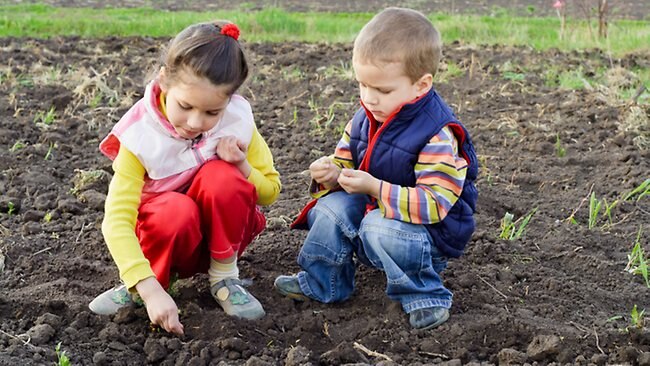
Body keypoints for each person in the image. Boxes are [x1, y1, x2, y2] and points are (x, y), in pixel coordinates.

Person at [274, 7, 478, 330]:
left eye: (383, 90)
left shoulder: (436, 134)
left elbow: (435, 205)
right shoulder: (366, 116)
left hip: (424, 240)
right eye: (363, 86)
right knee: (329, 208)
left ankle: (424, 295)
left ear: (421, 85)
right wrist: (331, 172)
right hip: (375, 216)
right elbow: (346, 160)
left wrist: (374, 188)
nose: (369, 98)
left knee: (377, 227)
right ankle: (323, 282)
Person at [88, 21, 281, 335]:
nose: (195, 122)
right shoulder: (141, 136)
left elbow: (270, 192)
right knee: (175, 210)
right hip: (165, 236)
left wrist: (243, 165)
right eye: (185, 106)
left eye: (211, 112)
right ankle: (144, 286)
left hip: (221, 240)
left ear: (229, 100)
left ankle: (224, 280)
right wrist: (149, 289)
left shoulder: (236, 121)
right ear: (164, 81)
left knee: (223, 176)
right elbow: (117, 220)